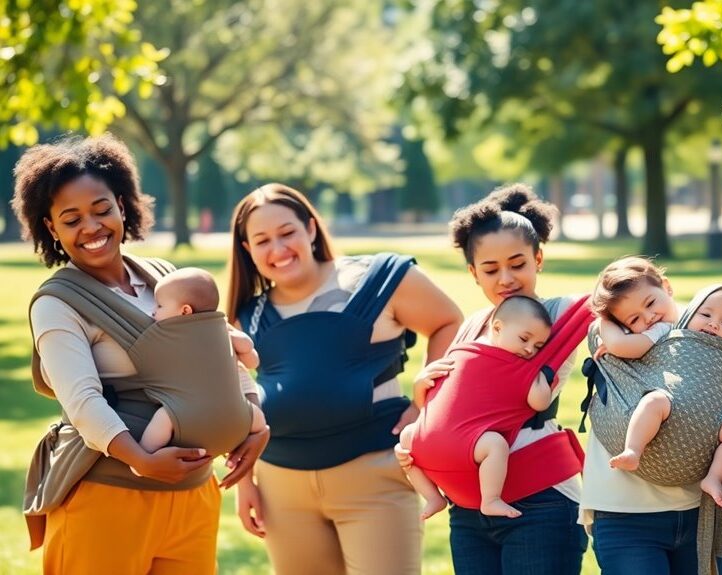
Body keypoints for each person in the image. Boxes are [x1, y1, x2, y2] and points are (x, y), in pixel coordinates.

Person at [14, 134, 268, 574]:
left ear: (122, 204)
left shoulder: (167, 279)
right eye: (71, 219)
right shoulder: (57, 303)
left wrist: (252, 417)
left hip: (191, 495)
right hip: (106, 495)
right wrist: (141, 459)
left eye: (101, 209)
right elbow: (82, 401)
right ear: (51, 228)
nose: (91, 228)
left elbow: (216, 356)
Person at [226, 183, 462, 575]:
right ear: (248, 250)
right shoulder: (245, 316)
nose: (279, 249)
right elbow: (240, 400)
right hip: (282, 489)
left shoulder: (380, 278)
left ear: (311, 229)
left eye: (288, 233)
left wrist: (426, 405)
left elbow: (448, 322)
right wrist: (245, 481)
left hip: (375, 478)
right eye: (262, 240)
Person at [396, 184, 590, 575]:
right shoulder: (472, 327)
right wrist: (423, 390)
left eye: (518, 264)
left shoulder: (557, 315)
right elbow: (457, 406)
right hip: (467, 506)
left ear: (539, 259)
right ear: (473, 273)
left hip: (539, 499)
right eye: (490, 269)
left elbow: (616, 299)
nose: (506, 278)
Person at [581, 257, 722, 575]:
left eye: (652, 302)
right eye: (634, 317)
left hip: (696, 510)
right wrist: (605, 320)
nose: (649, 318)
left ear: (667, 287)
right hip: (625, 512)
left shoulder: (711, 341)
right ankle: (633, 451)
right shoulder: (619, 336)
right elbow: (606, 332)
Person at [399, 295, 556, 520]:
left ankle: (467, 498)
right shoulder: (498, 363)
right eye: (524, 339)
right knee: (493, 445)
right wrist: (538, 373)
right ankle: (442, 497)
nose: (530, 349)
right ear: (498, 328)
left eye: (538, 346)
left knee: (410, 437)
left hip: (456, 441)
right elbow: (540, 401)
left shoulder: (462, 351)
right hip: (450, 440)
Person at [599, 276, 722, 508]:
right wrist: (608, 330)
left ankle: (714, 477)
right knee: (654, 400)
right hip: (671, 403)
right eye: (706, 315)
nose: (713, 324)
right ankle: (633, 449)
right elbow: (631, 347)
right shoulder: (668, 332)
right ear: (691, 314)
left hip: (717, 420)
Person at [133, 268, 267, 466]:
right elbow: (252, 361)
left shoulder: (169, 337)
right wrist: (243, 347)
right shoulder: (220, 328)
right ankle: (261, 429)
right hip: (236, 417)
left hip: (187, 416)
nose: (153, 311)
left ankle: (144, 459)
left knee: (163, 418)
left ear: (185, 311)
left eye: (159, 306)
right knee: (258, 418)